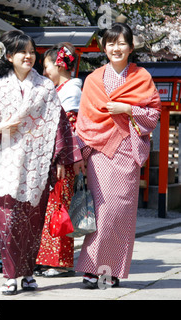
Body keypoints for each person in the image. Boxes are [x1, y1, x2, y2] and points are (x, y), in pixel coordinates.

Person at [0, 30, 83, 295]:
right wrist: (1, 126)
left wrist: (60, 158)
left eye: (32, 52)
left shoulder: (45, 88)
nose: (29, 56)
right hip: (8, 161)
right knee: (9, 220)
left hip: (38, 162)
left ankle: (28, 272)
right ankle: (10, 275)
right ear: (10, 56)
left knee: (33, 222)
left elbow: (59, 126)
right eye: (23, 52)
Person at [75, 22, 161, 288]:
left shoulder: (142, 77)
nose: (116, 48)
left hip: (125, 150)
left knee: (119, 213)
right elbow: (85, 119)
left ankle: (110, 271)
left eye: (121, 43)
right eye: (110, 43)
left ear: (131, 47)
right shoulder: (92, 79)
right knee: (99, 211)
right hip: (97, 152)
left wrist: (127, 108)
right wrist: (80, 154)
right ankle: (92, 269)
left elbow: (153, 115)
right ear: (104, 47)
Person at [34, 42, 82, 277]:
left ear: (59, 64)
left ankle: (61, 262)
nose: (44, 73)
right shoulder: (60, 90)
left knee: (59, 209)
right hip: (52, 159)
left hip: (63, 160)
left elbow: (70, 131)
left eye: (46, 67)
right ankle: (47, 259)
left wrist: (62, 159)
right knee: (50, 209)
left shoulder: (71, 92)